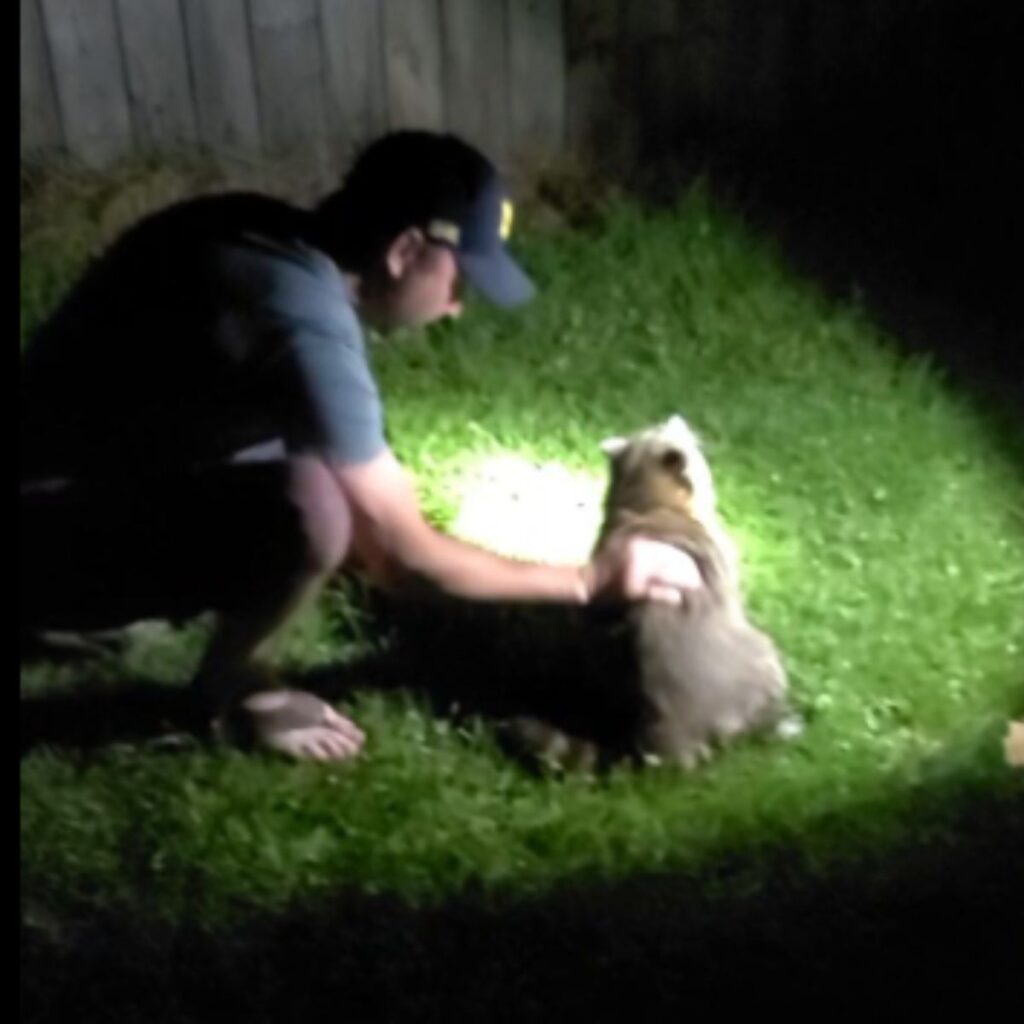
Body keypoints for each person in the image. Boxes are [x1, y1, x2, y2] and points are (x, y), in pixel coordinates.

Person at [20, 131, 702, 761]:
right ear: (404, 252)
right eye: (459, 279)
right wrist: (589, 581)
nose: (459, 306)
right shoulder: (303, 319)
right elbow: (402, 558)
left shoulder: (256, 230)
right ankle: (225, 689)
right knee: (319, 507)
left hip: (83, 477)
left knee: (344, 478)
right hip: (47, 543)